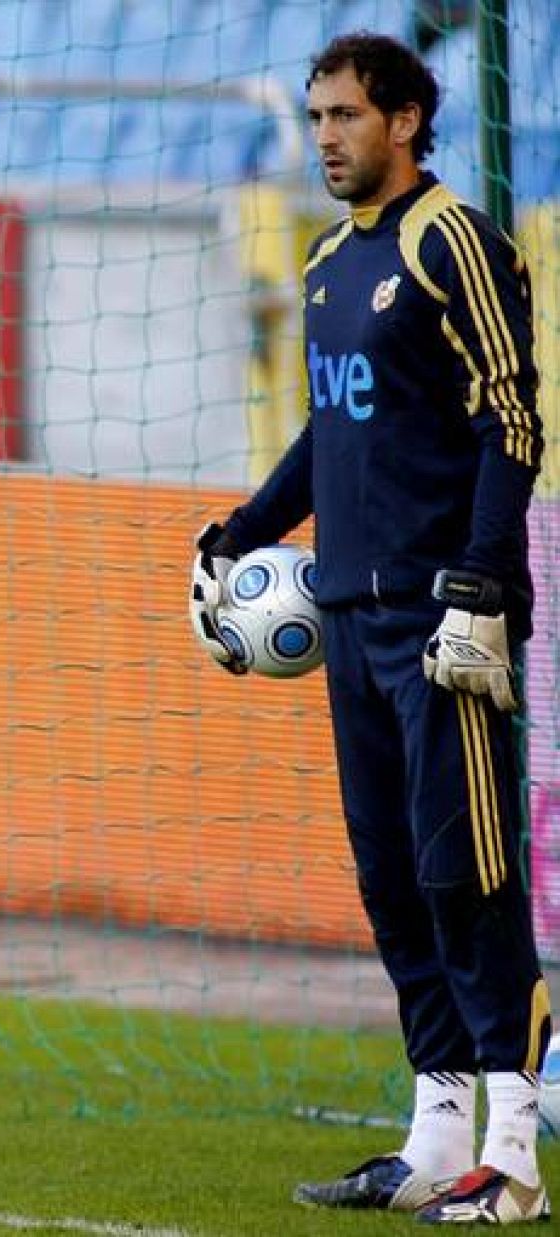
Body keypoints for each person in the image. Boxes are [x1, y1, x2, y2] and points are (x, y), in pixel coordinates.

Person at [190, 33, 549, 1225]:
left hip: (442, 618)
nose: (327, 136)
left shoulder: (452, 240)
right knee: (393, 881)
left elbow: (511, 416)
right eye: (315, 117)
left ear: (403, 119)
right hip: (346, 612)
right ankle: (436, 1140)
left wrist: (481, 580)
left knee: (470, 877)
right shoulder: (326, 260)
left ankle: (513, 1153)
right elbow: (327, 434)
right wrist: (245, 526)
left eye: (346, 114)